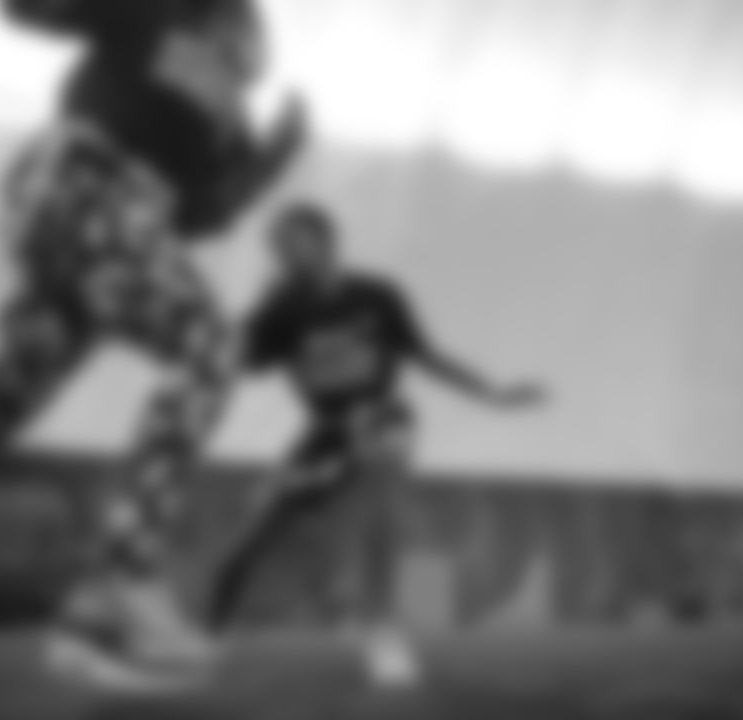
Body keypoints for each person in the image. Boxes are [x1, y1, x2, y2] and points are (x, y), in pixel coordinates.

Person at [0, 0, 308, 688]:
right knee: (209, 347)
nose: (249, 56)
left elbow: (206, 214)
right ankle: (117, 588)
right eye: (244, 36)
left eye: (254, 57)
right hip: (90, 184)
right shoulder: (163, 18)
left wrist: (272, 159)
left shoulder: (237, 120)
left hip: (106, 233)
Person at [205, 202, 546, 685]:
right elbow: (232, 359)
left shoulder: (376, 296)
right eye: (276, 248)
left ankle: (382, 630)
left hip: (382, 417)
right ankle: (209, 633)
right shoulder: (280, 310)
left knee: (382, 475)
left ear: (326, 241)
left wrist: (494, 394)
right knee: (260, 526)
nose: (283, 255)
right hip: (325, 433)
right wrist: (258, 308)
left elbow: (426, 356)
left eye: (292, 242)